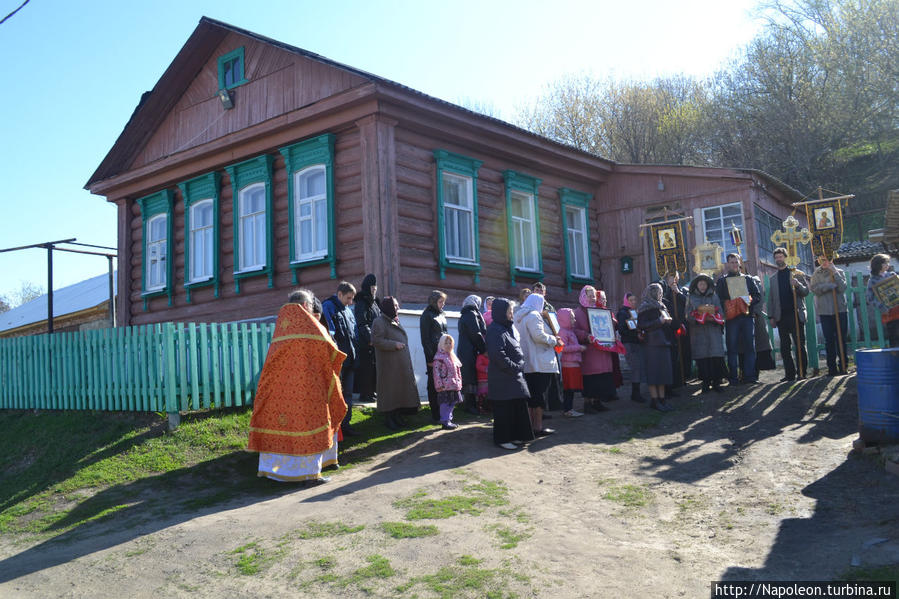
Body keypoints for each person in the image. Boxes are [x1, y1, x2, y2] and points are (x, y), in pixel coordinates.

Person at [248, 289, 346, 484]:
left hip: (277, 389)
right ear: (305, 306)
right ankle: (308, 473)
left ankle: (273, 471)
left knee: (279, 423)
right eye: (310, 305)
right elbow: (331, 349)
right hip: (306, 388)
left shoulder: (283, 324)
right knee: (308, 424)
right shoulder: (309, 325)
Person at [486, 298, 536, 450]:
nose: (511, 315)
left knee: (517, 406)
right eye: (509, 312)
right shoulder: (495, 329)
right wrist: (515, 366)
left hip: (513, 376)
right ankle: (503, 438)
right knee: (504, 410)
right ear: (501, 312)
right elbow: (497, 354)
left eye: (512, 312)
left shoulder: (505, 327)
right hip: (503, 377)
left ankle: (517, 435)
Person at [371, 296, 421, 430]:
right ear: (388, 307)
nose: (398, 308)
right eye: (395, 305)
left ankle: (397, 417)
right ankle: (389, 419)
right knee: (390, 393)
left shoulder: (393, 320)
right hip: (389, 365)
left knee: (398, 392)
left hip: (398, 364)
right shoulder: (379, 322)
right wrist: (394, 344)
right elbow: (376, 340)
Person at [514, 293, 560, 436]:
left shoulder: (518, 315)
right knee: (539, 396)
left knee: (531, 396)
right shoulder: (534, 315)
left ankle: (528, 427)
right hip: (539, 361)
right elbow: (538, 336)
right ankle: (537, 427)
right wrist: (554, 340)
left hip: (526, 361)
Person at [716, 253, 761, 385]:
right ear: (727, 264)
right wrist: (730, 303)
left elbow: (757, 295)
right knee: (732, 348)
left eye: (736, 262)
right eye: (732, 262)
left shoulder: (747, 278)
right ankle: (733, 378)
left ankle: (750, 377)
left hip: (747, 317)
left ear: (739, 264)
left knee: (749, 347)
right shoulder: (722, 281)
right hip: (731, 319)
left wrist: (748, 301)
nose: (734, 264)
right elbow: (719, 299)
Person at [766, 248, 810, 381]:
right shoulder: (773, 279)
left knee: (800, 345)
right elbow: (771, 299)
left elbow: (806, 292)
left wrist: (797, 285)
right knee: (785, 348)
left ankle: (802, 372)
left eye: (781, 257)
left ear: (786, 258)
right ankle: (789, 375)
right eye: (777, 257)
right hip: (781, 317)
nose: (779, 259)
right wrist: (771, 316)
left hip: (796, 315)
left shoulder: (796, 274)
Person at [322, 281, 360, 435]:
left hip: (350, 358)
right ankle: (335, 429)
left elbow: (354, 333)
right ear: (339, 294)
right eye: (348, 298)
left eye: (352, 299)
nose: (350, 302)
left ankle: (346, 425)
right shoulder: (328, 307)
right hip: (337, 360)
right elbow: (330, 333)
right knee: (336, 393)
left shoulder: (348, 311)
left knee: (348, 394)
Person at [573, 285, 616, 412]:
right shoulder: (578, 312)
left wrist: (611, 322)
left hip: (602, 350)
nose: (592, 298)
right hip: (590, 351)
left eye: (593, 295)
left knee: (601, 378)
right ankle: (587, 404)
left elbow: (609, 326)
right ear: (583, 296)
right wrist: (586, 336)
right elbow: (574, 330)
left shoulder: (599, 310)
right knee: (590, 378)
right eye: (589, 295)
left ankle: (597, 402)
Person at [637, 283, 674, 411]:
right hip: (652, 344)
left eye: (660, 292)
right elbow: (642, 325)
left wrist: (668, 321)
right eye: (657, 292)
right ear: (651, 293)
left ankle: (662, 399)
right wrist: (659, 322)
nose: (660, 295)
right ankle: (655, 400)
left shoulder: (662, 306)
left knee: (663, 373)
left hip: (664, 342)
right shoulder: (644, 307)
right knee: (654, 373)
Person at [687, 274, 727, 393]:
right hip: (698, 333)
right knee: (703, 360)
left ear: (708, 285)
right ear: (696, 285)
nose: (702, 286)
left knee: (715, 358)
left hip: (713, 331)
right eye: (700, 284)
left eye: (704, 284)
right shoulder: (691, 298)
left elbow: (720, 311)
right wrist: (697, 318)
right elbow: (688, 314)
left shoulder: (714, 296)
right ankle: (705, 384)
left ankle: (716, 383)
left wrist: (714, 318)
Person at [810, 255, 849, 375]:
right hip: (825, 311)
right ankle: (831, 368)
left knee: (841, 339)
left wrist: (835, 273)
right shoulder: (816, 274)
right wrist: (827, 287)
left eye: (827, 259)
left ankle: (843, 366)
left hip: (840, 310)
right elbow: (814, 289)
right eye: (822, 260)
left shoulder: (839, 271)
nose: (824, 262)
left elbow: (842, 288)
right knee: (829, 340)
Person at [532, 281, 563, 412]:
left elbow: (555, 324)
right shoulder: (530, 306)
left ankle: (555, 402)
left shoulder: (549, 307)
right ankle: (541, 406)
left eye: (541, 291)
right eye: (536, 290)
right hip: (537, 344)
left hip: (551, 342)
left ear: (545, 293)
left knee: (554, 375)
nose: (539, 293)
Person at [420, 290, 448, 422]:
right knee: (433, 384)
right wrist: (430, 359)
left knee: (443, 383)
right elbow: (425, 339)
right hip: (433, 355)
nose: (443, 304)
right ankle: (435, 414)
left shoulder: (442, 315)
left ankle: (444, 412)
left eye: (443, 301)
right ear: (434, 301)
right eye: (440, 301)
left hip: (444, 354)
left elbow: (445, 334)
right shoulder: (427, 315)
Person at [458, 294, 487, 415]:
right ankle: (470, 406)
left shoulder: (465, 314)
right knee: (470, 377)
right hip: (469, 350)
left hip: (466, 350)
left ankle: (469, 404)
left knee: (469, 377)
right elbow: (476, 334)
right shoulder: (471, 314)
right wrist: (484, 349)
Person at [353, 274, 380, 403]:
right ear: (367, 287)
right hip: (365, 342)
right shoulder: (361, 302)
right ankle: (365, 394)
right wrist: (370, 338)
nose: (374, 289)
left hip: (374, 340)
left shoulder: (374, 303)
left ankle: (372, 392)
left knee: (374, 369)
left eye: (375, 287)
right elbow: (362, 323)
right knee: (366, 369)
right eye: (372, 287)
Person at [662, 271, 691, 391]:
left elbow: (688, 304)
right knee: (674, 353)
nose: (672, 279)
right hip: (670, 326)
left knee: (685, 351)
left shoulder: (683, 290)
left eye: (675, 277)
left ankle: (685, 376)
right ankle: (675, 378)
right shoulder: (663, 292)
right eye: (670, 277)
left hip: (683, 325)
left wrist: (678, 293)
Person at [616, 293, 646, 403]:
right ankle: (635, 394)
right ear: (626, 301)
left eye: (634, 300)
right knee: (635, 367)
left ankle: (636, 392)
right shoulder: (622, 313)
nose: (633, 302)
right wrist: (635, 335)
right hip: (629, 343)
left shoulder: (634, 312)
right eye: (631, 300)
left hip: (637, 343)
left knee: (638, 367)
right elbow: (622, 330)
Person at [865, 253, 899, 348]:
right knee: (894, 338)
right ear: (878, 264)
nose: (887, 264)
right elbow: (870, 298)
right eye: (885, 263)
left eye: (888, 262)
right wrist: (882, 307)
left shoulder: (892, 275)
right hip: (889, 314)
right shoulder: (872, 281)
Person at [557, 307, 586, 416]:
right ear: (565, 319)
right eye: (572, 318)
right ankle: (568, 410)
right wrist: (578, 347)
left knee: (571, 389)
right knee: (569, 389)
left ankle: (569, 409)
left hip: (573, 363)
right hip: (568, 365)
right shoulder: (563, 332)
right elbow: (562, 348)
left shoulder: (569, 331)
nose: (574, 321)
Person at [433, 334, 463, 430]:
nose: (448, 345)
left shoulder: (452, 356)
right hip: (445, 386)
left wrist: (459, 382)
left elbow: (457, 371)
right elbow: (436, 372)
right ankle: (445, 421)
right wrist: (439, 385)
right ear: (441, 344)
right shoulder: (439, 358)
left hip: (454, 385)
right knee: (445, 404)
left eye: (450, 343)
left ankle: (448, 420)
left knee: (452, 403)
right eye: (446, 343)